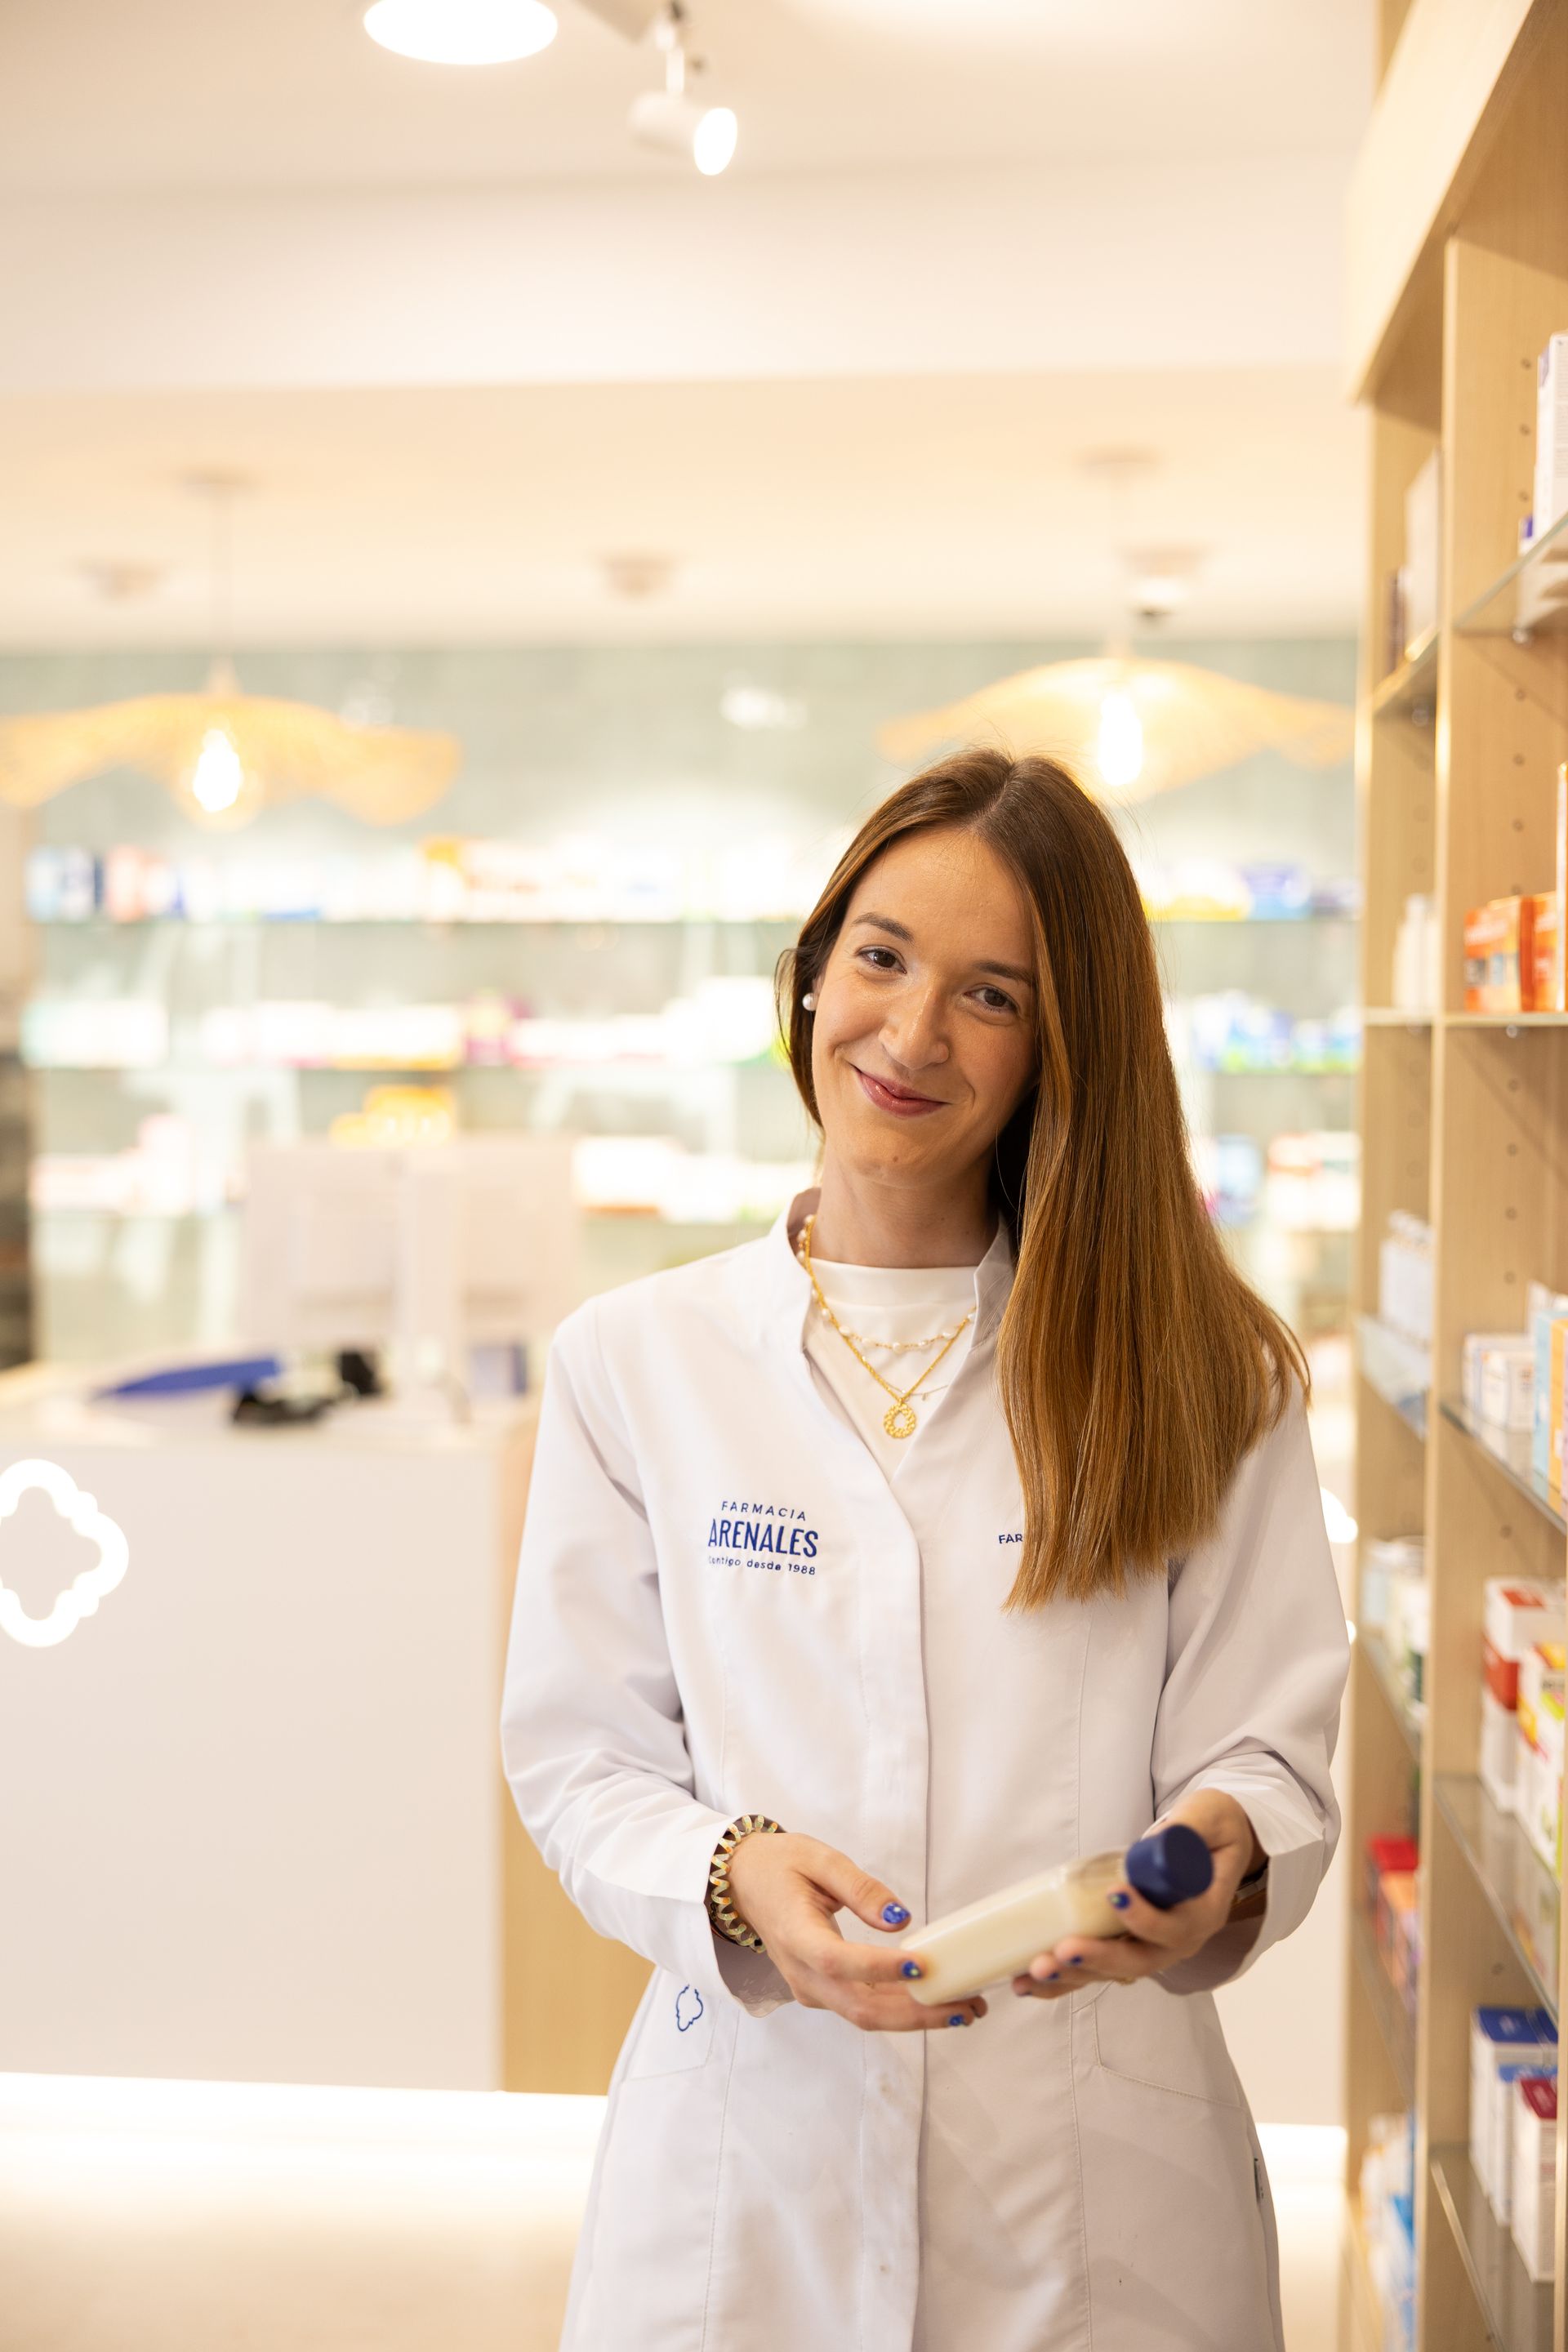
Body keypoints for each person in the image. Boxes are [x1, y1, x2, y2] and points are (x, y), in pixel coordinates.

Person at [501, 748, 1349, 2352]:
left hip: (1094, 2191)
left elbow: (1271, 1747)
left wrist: (1215, 1854)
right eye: (881, 956)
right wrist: (738, 1869)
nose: (906, 1033)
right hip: (751, 2168)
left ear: (1060, 1048)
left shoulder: (1203, 1372)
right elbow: (580, 1761)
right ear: (812, 968)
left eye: (993, 996)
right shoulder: (636, 1360)